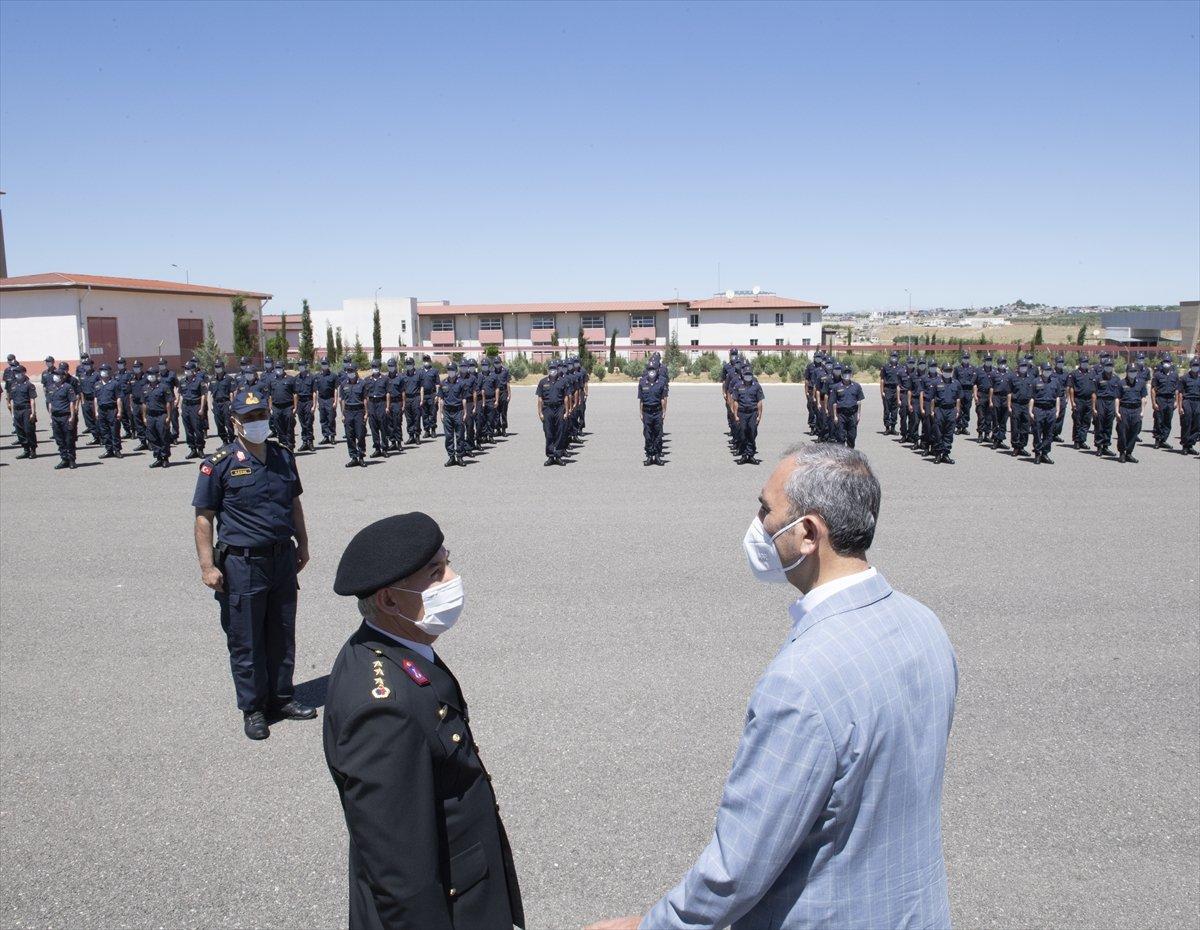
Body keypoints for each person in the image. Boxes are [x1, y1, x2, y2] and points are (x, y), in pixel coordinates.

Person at [586, 443, 957, 930]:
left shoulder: (801, 681)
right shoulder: (924, 625)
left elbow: (740, 865)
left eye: (766, 509)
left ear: (808, 533)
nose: (758, 524)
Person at [323, 512, 525, 930]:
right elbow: (402, 875)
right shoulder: (383, 708)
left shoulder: (394, 648)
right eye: (435, 574)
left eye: (447, 561)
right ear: (389, 600)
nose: (452, 578)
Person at [192, 387, 314, 740]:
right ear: (234, 423)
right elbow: (204, 518)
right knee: (246, 640)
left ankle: (281, 698)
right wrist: (206, 566)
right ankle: (253, 708)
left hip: (282, 560)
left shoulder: (282, 457)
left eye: (260, 415)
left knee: (281, 634)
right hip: (242, 566)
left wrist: (303, 543)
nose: (257, 422)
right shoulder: (219, 464)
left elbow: (294, 505)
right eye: (248, 418)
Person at [46, 364, 79, 468]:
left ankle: (71, 460)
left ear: (62, 377)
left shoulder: (68, 387)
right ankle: (64, 459)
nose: (54, 377)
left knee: (69, 439)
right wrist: (51, 417)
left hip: (66, 416)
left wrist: (72, 417)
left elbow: (72, 403)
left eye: (57, 375)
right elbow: (50, 403)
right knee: (59, 439)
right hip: (55, 417)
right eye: (54, 375)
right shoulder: (51, 388)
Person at [535, 361, 568, 466]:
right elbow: (540, 399)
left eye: (554, 368)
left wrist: (566, 411)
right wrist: (540, 413)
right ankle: (550, 456)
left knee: (559, 432)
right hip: (547, 409)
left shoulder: (563, 381)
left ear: (557, 370)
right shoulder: (542, 382)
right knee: (548, 433)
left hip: (559, 408)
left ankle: (558, 455)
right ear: (548, 370)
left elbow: (566, 397)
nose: (552, 370)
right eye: (551, 369)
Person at [437, 361, 469, 467]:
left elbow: (464, 399)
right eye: (449, 370)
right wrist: (440, 413)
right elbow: (441, 399)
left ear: (456, 371)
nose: (450, 372)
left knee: (460, 435)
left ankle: (459, 457)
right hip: (447, 412)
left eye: (452, 370)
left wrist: (465, 413)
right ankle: (451, 457)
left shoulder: (461, 383)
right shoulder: (443, 383)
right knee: (448, 436)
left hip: (458, 411)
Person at [731, 367, 764, 465]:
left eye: (749, 374)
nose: (748, 376)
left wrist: (759, 416)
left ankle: (751, 455)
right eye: (746, 374)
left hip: (753, 413)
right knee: (742, 433)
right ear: (743, 375)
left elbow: (759, 402)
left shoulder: (757, 386)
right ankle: (744, 455)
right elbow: (735, 401)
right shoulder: (738, 386)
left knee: (752, 432)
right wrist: (735, 415)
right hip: (742, 413)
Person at [143, 366, 175, 468]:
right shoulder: (145, 388)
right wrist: (144, 417)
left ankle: (165, 458)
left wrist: (169, 417)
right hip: (150, 416)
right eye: (149, 374)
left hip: (161, 415)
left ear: (157, 375)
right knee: (152, 437)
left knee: (163, 436)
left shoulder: (164, 387)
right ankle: (158, 458)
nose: (151, 376)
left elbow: (169, 403)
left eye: (153, 374)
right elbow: (144, 404)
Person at [931, 362, 963, 464]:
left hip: (951, 410)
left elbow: (958, 398)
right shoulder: (936, 382)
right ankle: (938, 454)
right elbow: (932, 399)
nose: (948, 372)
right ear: (941, 371)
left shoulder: (956, 383)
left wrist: (957, 410)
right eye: (946, 371)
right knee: (938, 433)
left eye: (950, 370)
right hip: (940, 409)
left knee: (949, 433)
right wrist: (932, 411)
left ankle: (945, 454)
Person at [1115, 363, 1147, 464]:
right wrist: (1116, 412)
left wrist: (1142, 411)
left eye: (1134, 371)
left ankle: (1129, 453)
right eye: (1131, 371)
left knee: (1134, 433)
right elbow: (1117, 398)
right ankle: (1122, 453)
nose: (1132, 373)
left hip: (1136, 410)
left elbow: (1143, 398)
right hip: (1124, 409)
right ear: (1127, 372)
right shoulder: (1121, 383)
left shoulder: (1141, 383)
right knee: (1122, 432)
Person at [638, 362, 668, 466]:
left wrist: (664, 412)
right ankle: (650, 456)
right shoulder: (642, 382)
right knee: (648, 435)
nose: (651, 371)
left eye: (653, 369)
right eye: (650, 369)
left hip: (657, 411)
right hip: (647, 412)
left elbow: (663, 399)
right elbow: (641, 400)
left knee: (658, 435)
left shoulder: (661, 382)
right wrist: (640, 413)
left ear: (656, 370)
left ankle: (658, 456)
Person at [1031, 361, 1060, 465]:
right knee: (1037, 432)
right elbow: (1032, 398)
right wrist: (1031, 411)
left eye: (1049, 370)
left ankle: (1045, 453)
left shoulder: (1055, 382)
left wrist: (1057, 410)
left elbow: (1057, 397)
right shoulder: (1035, 381)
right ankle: (1038, 454)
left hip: (1051, 409)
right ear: (1041, 371)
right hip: (1039, 409)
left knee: (1049, 433)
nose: (1048, 372)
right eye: (1046, 370)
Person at [179, 360, 209, 458]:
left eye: (188, 369)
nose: (186, 371)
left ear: (193, 370)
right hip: (185, 406)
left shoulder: (199, 381)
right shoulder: (182, 381)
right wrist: (180, 408)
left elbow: (203, 395)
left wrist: (201, 408)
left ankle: (200, 449)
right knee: (188, 429)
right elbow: (181, 395)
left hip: (195, 406)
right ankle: (192, 449)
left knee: (198, 429)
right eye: (185, 369)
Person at [93, 363, 124, 458]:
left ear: (109, 372)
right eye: (102, 370)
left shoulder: (115, 383)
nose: (103, 372)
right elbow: (95, 399)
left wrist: (119, 411)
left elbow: (118, 398)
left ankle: (117, 450)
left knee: (114, 430)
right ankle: (109, 450)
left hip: (112, 410)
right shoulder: (97, 384)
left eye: (105, 370)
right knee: (104, 431)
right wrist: (96, 411)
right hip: (102, 410)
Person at [7, 366, 38, 458]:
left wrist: (33, 413)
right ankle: (26, 450)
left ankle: (33, 450)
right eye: (15, 372)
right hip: (17, 410)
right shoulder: (13, 385)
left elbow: (32, 400)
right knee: (19, 431)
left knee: (29, 431)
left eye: (18, 372)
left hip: (26, 410)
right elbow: (11, 400)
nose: (17, 374)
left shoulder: (29, 385)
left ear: (24, 372)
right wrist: (12, 413)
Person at [1008, 358, 1037, 457]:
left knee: (1025, 427)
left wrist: (1032, 408)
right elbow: (1009, 393)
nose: (1023, 367)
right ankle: (1016, 447)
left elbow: (1034, 394)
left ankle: (1022, 446)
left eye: (1025, 366)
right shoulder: (1013, 377)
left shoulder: (1031, 378)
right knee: (1015, 427)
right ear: (1018, 367)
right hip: (1016, 404)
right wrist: (1009, 406)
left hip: (1026, 405)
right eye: (1022, 366)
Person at [1067, 354, 1096, 450]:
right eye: (1083, 362)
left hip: (1088, 400)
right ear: (1080, 363)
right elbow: (1071, 389)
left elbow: (1093, 390)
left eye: (1087, 362)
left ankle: (1082, 440)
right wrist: (1072, 402)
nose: (1085, 364)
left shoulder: (1091, 373)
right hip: (1078, 400)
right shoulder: (1074, 374)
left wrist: (1093, 404)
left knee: (1087, 421)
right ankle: (1076, 441)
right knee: (1077, 421)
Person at [1092, 358, 1121, 457]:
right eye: (1107, 365)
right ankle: (1099, 446)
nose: (1109, 367)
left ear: (1113, 366)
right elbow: (1094, 394)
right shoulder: (1098, 377)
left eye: (1110, 365)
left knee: (1109, 425)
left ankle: (1106, 446)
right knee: (1100, 424)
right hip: (1101, 401)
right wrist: (1094, 407)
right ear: (1104, 366)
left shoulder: (1116, 378)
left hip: (1111, 402)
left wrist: (1118, 409)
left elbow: (1119, 395)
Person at [832, 363, 864, 449]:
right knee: (841, 437)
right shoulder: (836, 387)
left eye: (848, 373)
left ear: (851, 374)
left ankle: (851, 454)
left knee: (852, 436)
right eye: (845, 373)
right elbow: (834, 403)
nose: (847, 375)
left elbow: (859, 402)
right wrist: (835, 416)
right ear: (842, 375)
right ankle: (842, 456)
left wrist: (858, 415)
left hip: (852, 414)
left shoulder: (856, 386)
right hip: (841, 414)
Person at [341, 367, 368, 467]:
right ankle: (353, 457)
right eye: (348, 371)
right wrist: (342, 414)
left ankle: (361, 457)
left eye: (352, 371)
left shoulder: (362, 383)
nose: (350, 373)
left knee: (360, 434)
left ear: (356, 371)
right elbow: (343, 400)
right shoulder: (344, 384)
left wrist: (366, 413)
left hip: (359, 411)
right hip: (348, 411)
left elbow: (365, 399)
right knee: (349, 435)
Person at [267, 361, 297, 452]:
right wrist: (270, 407)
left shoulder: (290, 379)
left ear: (283, 368)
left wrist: (295, 407)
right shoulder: (271, 380)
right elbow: (270, 396)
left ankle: (290, 446)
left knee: (289, 427)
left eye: (279, 368)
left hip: (288, 407)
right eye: (276, 368)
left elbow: (295, 394)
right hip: (276, 407)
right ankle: (283, 446)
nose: (278, 370)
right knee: (279, 428)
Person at [1151, 354, 1179, 450]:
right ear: (1162, 363)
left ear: (1171, 363)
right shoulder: (1157, 375)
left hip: (1170, 400)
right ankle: (1157, 440)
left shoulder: (1175, 375)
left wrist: (1176, 401)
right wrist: (1154, 403)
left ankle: (1163, 440)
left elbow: (1176, 390)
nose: (1166, 364)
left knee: (1168, 421)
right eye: (1164, 362)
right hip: (1160, 399)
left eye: (1168, 362)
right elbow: (1153, 390)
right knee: (1159, 420)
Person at [364, 359, 390, 458]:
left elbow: (388, 393)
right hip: (371, 404)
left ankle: (385, 448)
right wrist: (366, 410)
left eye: (376, 367)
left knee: (383, 427)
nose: (375, 369)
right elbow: (365, 396)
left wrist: (387, 406)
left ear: (379, 368)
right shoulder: (367, 380)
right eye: (373, 367)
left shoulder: (385, 379)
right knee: (373, 427)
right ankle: (377, 448)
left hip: (381, 403)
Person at [209, 360, 236, 446]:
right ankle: (224, 441)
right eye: (216, 367)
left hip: (226, 403)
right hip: (216, 404)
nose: (217, 368)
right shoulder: (212, 379)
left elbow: (232, 392)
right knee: (219, 424)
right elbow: (211, 393)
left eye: (219, 366)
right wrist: (211, 404)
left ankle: (231, 441)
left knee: (228, 423)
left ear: (223, 367)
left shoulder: (229, 379)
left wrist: (231, 404)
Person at [314, 358, 340, 444]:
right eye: (323, 363)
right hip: (321, 399)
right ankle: (326, 436)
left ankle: (332, 436)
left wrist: (335, 401)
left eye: (325, 363)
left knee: (331, 418)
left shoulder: (333, 376)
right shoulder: (317, 376)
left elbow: (336, 389)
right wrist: (317, 402)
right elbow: (316, 390)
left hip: (330, 399)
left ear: (328, 364)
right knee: (323, 419)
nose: (324, 365)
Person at [989, 356, 1012, 449]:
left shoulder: (1009, 374)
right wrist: (990, 400)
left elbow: (1011, 390)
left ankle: (1000, 440)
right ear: (998, 364)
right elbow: (991, 388)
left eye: (1004, 362)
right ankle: (995, 440)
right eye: (1001, 362)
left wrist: (1010, 403)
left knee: (1004, 420)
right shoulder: (994, 374)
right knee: (995, 419)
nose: (1003, 364)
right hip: (996, 397)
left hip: (1006, 398)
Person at [974, 353, 996, 442]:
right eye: (987, 360)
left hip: (991, 396)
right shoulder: (979, 370)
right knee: (981, 416)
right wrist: (975, 396)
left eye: (990, 360)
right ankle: (980, 434)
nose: (988, 361)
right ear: (984, 360)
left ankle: (987, 434)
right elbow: (975, 384)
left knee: (989, 416)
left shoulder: (995, 371)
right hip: (981, 395)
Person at [953, 351, 976, 435]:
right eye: (964, 358)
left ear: (969, 359)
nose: (965, 359)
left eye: (967, 358)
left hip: (968, 391)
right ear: (961, 359)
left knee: (967, 409)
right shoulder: (957, 368)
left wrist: (973, 392)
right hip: (960, 390)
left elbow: (973, 380)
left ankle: (964, 427)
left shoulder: (973, 368)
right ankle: (958, 427)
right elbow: (954, 380)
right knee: (959, 409)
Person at [879, 351, 901, 435]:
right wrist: (882, 392)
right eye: (892, 356)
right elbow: (882, 380)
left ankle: (893, 428)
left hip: (896, 390)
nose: (894, 358)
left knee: (895, 410)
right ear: (890, 357)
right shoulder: (885, 367)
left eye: (895, 356)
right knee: (887, 410)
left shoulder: (900, 367)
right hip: (887, 389)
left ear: (897, 357)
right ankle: (887, 428)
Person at [419, 355, 440, 437]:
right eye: (425, 360)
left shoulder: (434, 371)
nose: (426, 362)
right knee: (424, 414)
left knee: (433, 413)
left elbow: (437, 384)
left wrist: (437, 395)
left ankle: (433, 429)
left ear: (430, 361)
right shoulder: (420, 371)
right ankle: (427, 430)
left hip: (432, 394)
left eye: (427, 360)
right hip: (423, 395)